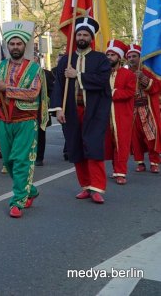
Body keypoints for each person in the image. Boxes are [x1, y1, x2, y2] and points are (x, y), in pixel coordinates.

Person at [52, 16, 111, 203]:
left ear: (91, 37)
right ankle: (85, 186)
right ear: (75, 37)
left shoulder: (101, 59)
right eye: (79, 34)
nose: (82, 37)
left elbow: (102, 81)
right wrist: (58, 109)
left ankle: (97, 188)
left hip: (94, 111)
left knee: (93, 148)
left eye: (85, 34)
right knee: (76, 148)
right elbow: (58, 86)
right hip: (72, 111)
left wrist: (77, 75)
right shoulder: (66, 60)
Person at [0, 22, 48, 218]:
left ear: (25, 46)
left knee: (21, 161)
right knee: (8, 162)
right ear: (7, 46)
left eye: (18, 43)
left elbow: (33, 93)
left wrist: (6, 89)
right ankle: (30, 190)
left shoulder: (35, 69)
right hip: (4, 121)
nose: (15, 47)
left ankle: (17, 201)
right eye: (12, 44)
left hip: (25, 120)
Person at [103, 40, 135, 184]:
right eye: (108, 54)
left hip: (122, 115)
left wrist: (111, 93)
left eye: (112, 55)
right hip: (105, 114)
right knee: (109, 143)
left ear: (119, 57)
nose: (109, 57)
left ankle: (120, 172)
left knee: (121, 143)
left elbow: (129, 92)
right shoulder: (102, 73)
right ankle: (115, 169)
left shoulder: (128, 74)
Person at [126, 44, 161, 173]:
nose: (131, 59)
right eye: (129, 56)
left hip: (147, 109)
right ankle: (140, 162)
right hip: (132, 111)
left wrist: (143, 78)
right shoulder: (125, 73)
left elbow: (157, 88)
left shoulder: (148, 71)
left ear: (140, 57)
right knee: (135, 139)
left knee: (151, 137)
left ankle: (154, 162)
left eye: (134, 56)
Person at [36, 67, 56, 166]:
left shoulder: (44, 73)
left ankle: (39, 157)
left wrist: (54, 106)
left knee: (40, 132)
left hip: (40, 107)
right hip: (22, 109)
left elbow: (52, 91)